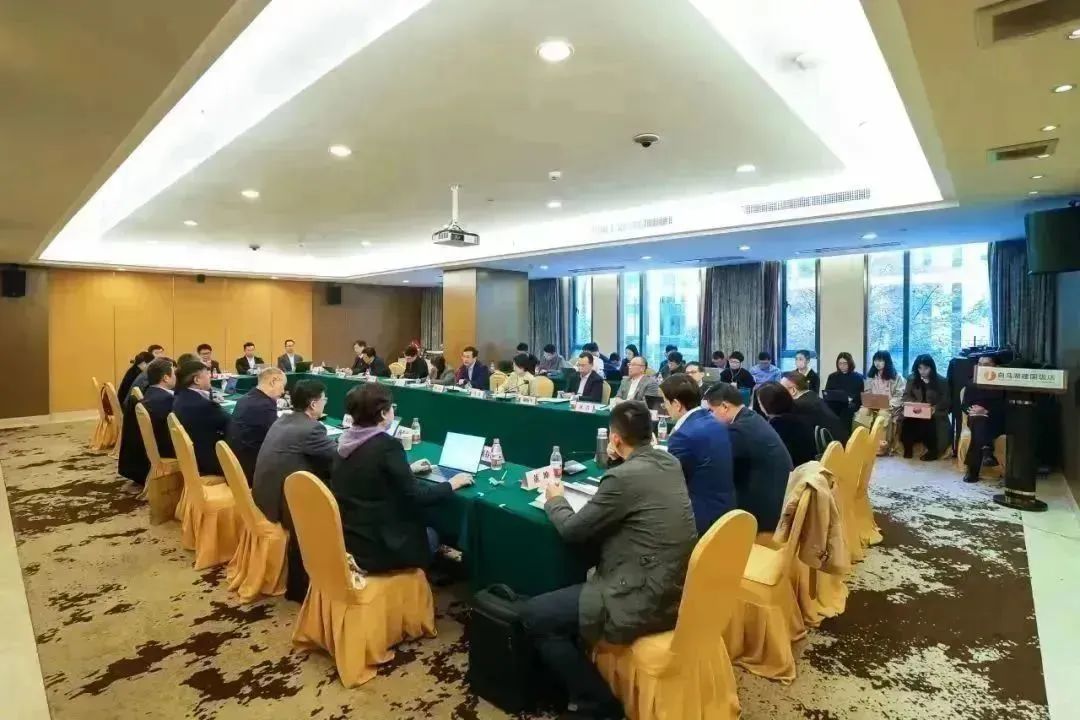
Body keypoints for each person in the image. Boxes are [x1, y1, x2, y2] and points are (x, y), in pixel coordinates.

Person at [522, 401, 697, 720]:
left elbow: (573, 531)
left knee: (536, 615)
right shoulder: (669, 462)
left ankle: (596, 702)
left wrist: (556, 500)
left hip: (643, 597)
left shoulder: (623, 478)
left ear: (614, 439)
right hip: (677, 585)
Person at [331, 384, 473, 573]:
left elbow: (368, 472)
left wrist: (407, 470)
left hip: (351, 537)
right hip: (381, 546)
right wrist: (452, 483)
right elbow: (418, 497)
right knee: (432, 533)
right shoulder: (387, 446)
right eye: (392, 408)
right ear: (383, 414)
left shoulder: (345, 439)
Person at [252, 379, 338, 602]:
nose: (326, 402)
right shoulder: (312, 429)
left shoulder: (283, 420)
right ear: (313, 404)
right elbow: (339, 457)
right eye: (324, 399)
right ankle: (305, 586)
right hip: (283, 502)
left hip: (264, 494)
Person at [705, 383, 792, 532]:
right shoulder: (751, 418)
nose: (709, 416)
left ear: (725, 406)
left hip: (766, 513)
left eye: (711, 411)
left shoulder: (739, 430)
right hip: (779, 497)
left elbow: (713, 463)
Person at [660, 374, 736, 535]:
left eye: (665, 402)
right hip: (726, 512)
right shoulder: (715, 422)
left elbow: (668, 481)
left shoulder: (683, 436)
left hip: (698, 520)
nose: (664, 407)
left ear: (676, 404)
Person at [226, 367, 285, 483]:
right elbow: (278, 438)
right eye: (283, 386)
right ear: (273, 381)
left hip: (236, 465)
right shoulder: (265, 404)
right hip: (251, 473)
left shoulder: (245, 398)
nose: (283, 391)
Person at [172, 359, 230, 475]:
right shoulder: (203, 405)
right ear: (197, 380)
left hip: (193, 456)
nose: (210, 377)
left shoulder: (181, 396)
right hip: (209, 461)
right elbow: (230, 422)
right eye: (207, 374)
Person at [962, 353, 1007, 483]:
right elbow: (964, 404)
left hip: (995, 418)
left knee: (980, 428)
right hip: (975, 417)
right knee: (978, 422)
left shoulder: (1003, 383)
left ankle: (973, 469)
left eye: (986, 365)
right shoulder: (972, 383)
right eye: (980, 364)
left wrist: (986, 411)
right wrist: (971, 410)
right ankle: (987, 451)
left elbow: (1006, 405)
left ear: (995, 367)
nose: (982, 367)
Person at [755, 381, 818, 466]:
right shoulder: (798, 414)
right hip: (807, 466)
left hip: (794, 470)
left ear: (768, 404)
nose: (760, 406)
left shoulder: (778, 426)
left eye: (760, 403)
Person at [900, 354, 950, 461]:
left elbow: (946, 400)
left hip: (933, 412)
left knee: (929, 422)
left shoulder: (941, 381)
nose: (922, 371)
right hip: (916, 411)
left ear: (931, 368)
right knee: (907, 422)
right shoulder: (912, 378)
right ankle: (908, 448)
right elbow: (906, 396)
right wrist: (915, 405)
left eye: (926, 368)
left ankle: (933, 451)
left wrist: (934, 408)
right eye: (920, 368)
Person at [855, 350, 905, 455]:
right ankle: (862, 442)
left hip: (889, 406)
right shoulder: (871, 376)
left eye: (881, 361)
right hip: (873, 404)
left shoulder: (897, 377)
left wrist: (890, 403)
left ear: (887, 361)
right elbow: (867, 392)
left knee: (883, 413)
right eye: (875, 360)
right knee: (863, 411)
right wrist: (869, 401)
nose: (877, 363)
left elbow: (900, 395)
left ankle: (881, 446)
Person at [781, 370, 849, 444]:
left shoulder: (798, 405)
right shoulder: (812, 395)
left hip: (830, 448)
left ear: (793, 390)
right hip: (842, 443)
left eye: (781, 389)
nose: (779, 392)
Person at [142, 357, 177, 460]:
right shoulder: (167, 399)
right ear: (166, 378)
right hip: (168, 450)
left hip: (152, 447)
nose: (176, 377)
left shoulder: (149, 392)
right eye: (174, 374)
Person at [823, 352, 864, 433]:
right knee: (826, 407)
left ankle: (843, 435)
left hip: (851, 403)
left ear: (850, 363)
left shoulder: (858, 377)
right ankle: (828, 434)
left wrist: (850, 399)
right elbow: (827, 392)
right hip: (835, 402)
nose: (842, 366)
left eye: (845, 363)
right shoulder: (832, 376)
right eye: (840, 363)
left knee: (847, 409)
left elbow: (859, 396)